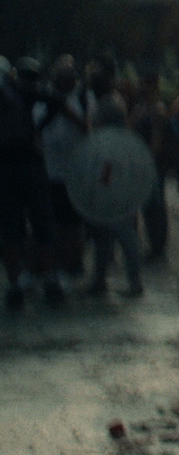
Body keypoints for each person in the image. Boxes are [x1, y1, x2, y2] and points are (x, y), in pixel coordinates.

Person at [83, 57, 145, 298]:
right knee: (103, 230)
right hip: (110, 171)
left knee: (122, 229)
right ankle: (100, 279)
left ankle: (134, 281)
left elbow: (108, 142)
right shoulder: (109, 102)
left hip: (113, 172)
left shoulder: (109, 105)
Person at [0, 58, 57, 310]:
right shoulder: (23, 92)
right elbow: (55, 101)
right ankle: (48, 280)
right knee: (41, 224)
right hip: (29, 167)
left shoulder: (18, 92)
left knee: (12, 231)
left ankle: (16, 285)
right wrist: (38, 129)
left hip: (9, 168)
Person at [34, 55, 91, 304]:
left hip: (74, 174)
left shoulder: (83, 99)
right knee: (47, 224)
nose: (65, 83)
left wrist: (70, 114)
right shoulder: (41, 98)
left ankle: (67, 269)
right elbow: (33, 127)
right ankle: (48, 271)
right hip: (48, 173)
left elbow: (92, 130)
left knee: (71, 226)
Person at [130, 70, 172, 260]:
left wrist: (149, 160)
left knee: (155, 205)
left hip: (153, 164)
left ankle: (158, 245)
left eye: (144, 84)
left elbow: (157, 139)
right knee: (148, 206)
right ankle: (153, 243)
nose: (140, 88)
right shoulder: (142, 108)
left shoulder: (157, 109)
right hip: (142, 162)